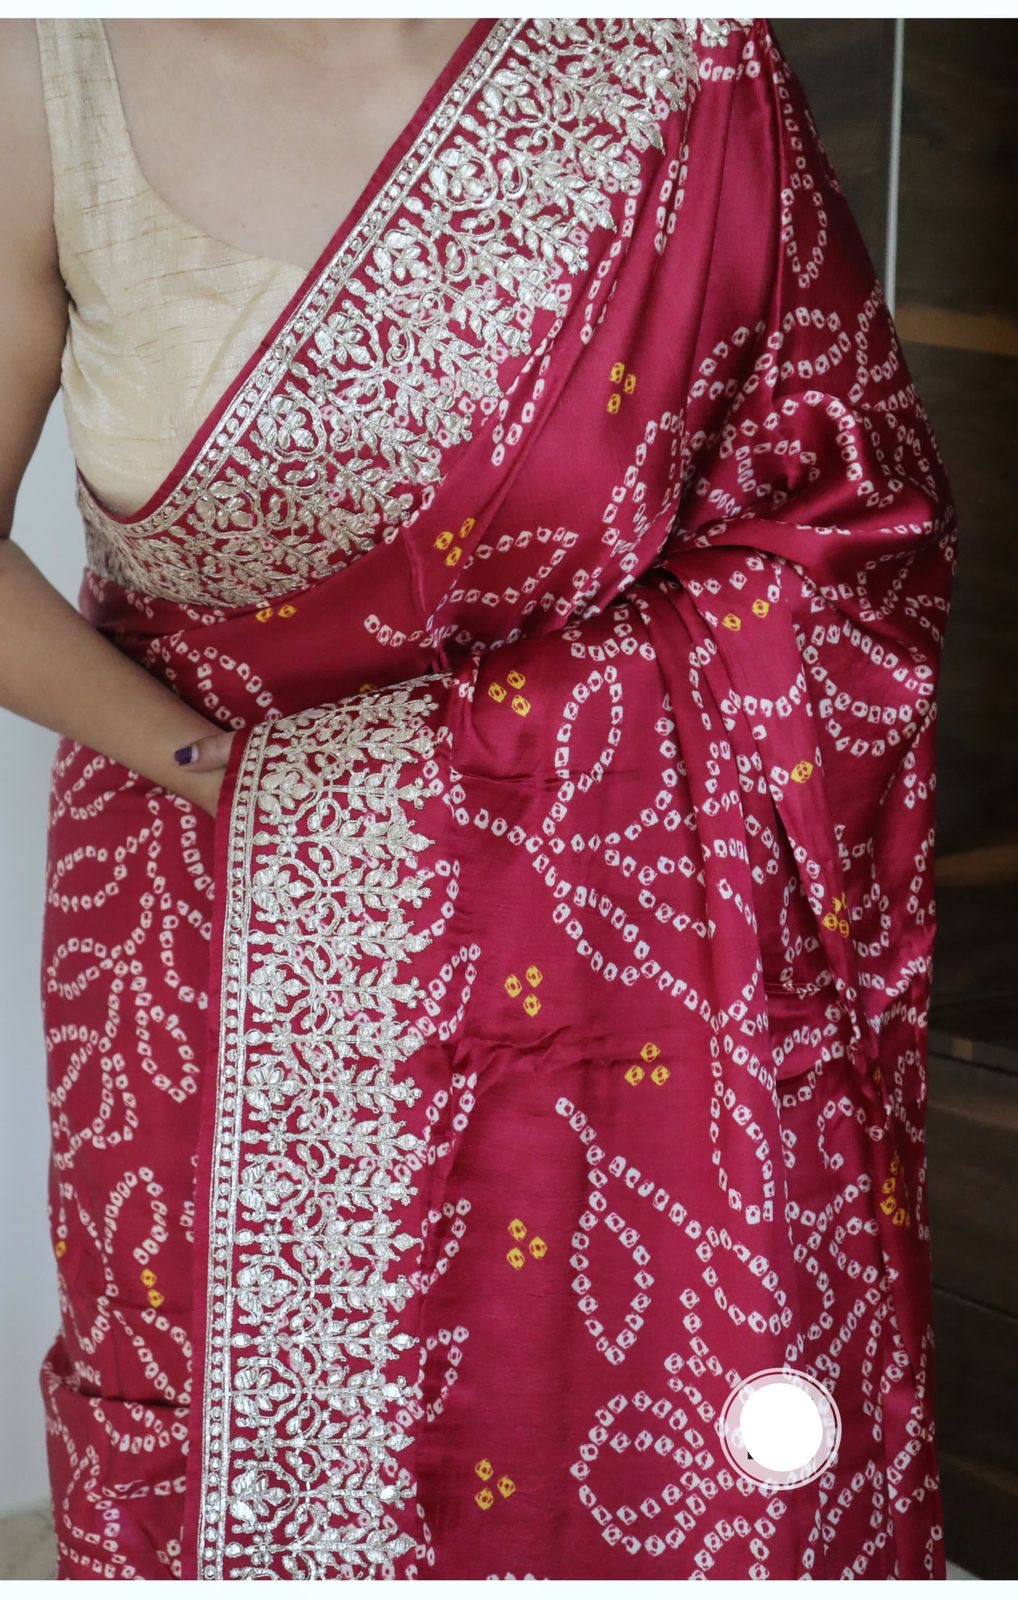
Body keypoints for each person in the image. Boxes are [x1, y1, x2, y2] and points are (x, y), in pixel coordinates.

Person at [0, 15, 958, 1581]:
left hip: (627, 964)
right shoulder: (53, 76)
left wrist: (447, 767)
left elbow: (848, 526)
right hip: (204, 929)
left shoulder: (674, 63)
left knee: (641, 1426)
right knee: (211, 1442)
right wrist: (223, 772)